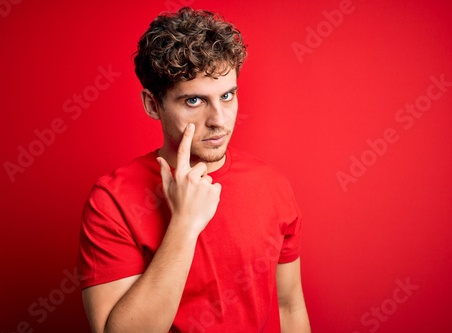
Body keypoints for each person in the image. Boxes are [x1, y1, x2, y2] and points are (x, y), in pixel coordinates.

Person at [77, 7, 311, 333]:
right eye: (194, 101)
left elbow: (289, 307)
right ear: (152, 104)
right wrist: (185, 226)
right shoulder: (111, 201)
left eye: (227, 96)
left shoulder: (272, 185)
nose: (219, 119)